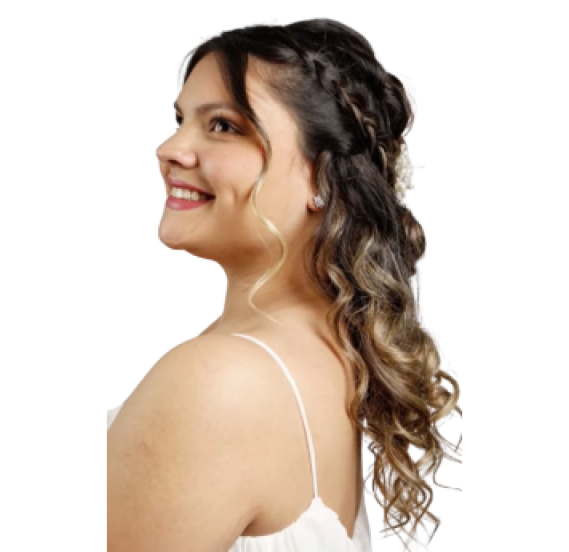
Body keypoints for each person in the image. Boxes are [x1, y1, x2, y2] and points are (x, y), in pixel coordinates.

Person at [108, 16, 461, 552]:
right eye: (180, 119)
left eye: (224, 125)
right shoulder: (325, 356)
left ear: (323, 177)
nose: (169, 149)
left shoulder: (220, 381)